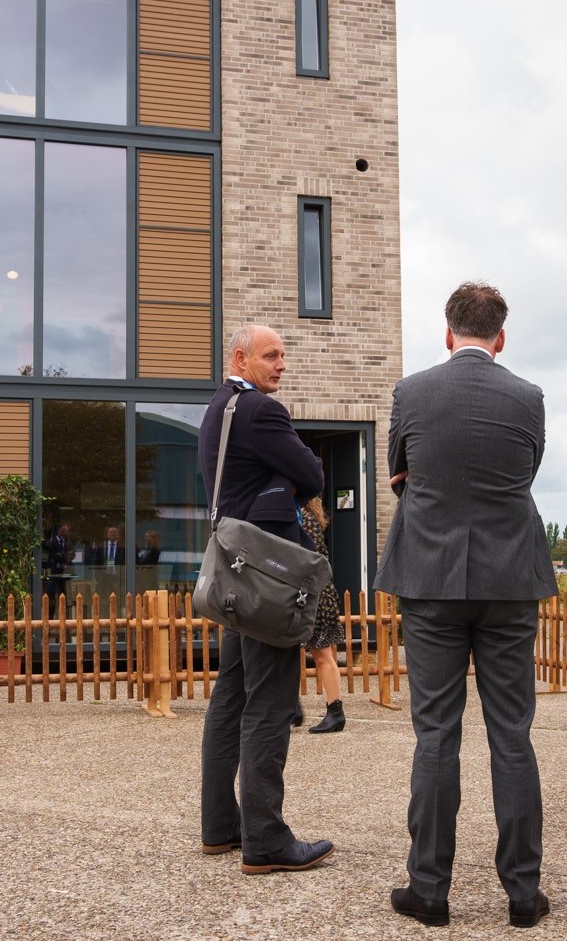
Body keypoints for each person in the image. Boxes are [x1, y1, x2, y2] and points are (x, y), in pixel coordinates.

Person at [378, 282, 555, 929]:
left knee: (435, 734)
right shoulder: (529, 397)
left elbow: (398, 471)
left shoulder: (412, 392)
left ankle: (429, 888)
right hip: (509, 580)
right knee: (512, 734)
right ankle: (523, 893)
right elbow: (526, 473)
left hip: (430, 578)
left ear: (448, 332)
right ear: (500, 336)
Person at [197, 324, 335, 874]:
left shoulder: (218, 409)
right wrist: (291, 471)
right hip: (268, 580)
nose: (281, 364)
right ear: (240, 358)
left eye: (283, 355)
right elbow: (313, 474)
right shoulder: (260, 411)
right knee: (271, 703)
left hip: (236, 575)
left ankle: (220, 827)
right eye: (270, 355)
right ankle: (266, 839)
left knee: (230, 696)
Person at [299, 496, 346, 734]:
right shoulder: (306, 517)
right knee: (289, 652)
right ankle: (292, 708)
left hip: (315, 596)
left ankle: (336, 712)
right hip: (310, 594)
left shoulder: (305, 519)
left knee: (322, 656)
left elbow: (309, 558)